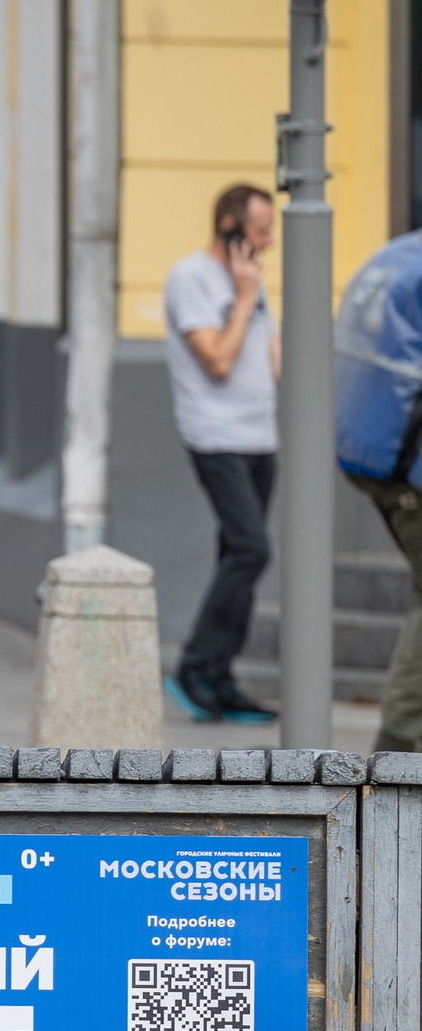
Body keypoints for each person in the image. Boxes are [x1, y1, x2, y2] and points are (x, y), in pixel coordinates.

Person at [163, 183, 282, 726]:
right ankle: (193, 666)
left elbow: (270, 354)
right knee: (251, 550)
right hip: (216, 436)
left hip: (261, 436)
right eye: (261, 231)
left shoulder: (251, 279)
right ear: (230, 228)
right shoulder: (191, 277)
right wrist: (240, 295)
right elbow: (217, 360)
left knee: (237, 558)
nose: (270, 241)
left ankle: (220, 676)